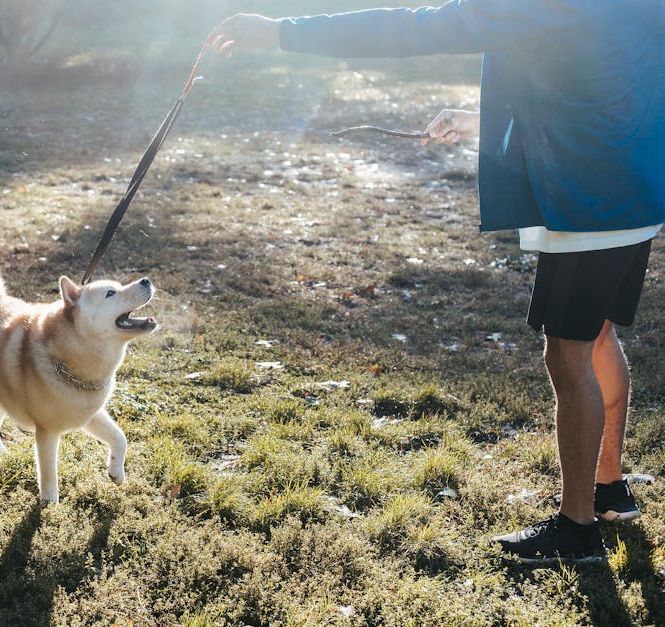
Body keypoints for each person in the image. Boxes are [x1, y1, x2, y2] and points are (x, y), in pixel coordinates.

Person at [209, 2, 664, 563]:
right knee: (596, 336)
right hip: (635, 184)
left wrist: (282, 33)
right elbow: (592, 70)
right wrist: (487, 121)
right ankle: (610, 489)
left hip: (586, 195)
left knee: (568, 357)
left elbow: (417, 27)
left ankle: (577, 529)